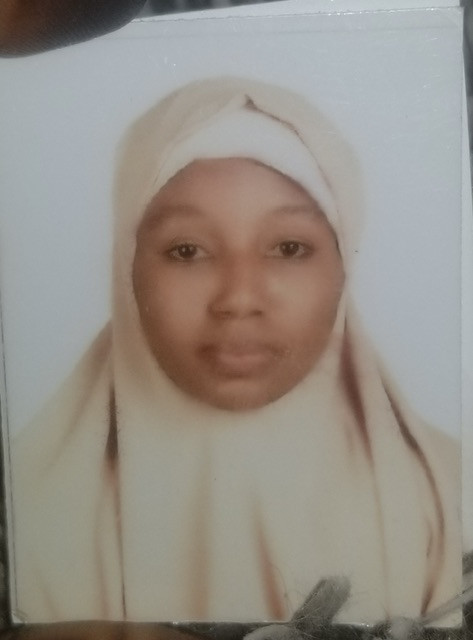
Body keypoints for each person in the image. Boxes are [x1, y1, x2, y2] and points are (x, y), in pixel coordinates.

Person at [11, 77, 461, 625]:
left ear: (345, 265)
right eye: (187, 251)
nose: (239, 299)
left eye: (289, 248)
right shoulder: (25, 512)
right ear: (126, 268)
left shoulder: (448, 500)